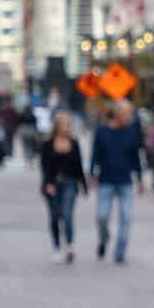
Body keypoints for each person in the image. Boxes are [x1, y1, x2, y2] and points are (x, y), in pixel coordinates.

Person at [88, 99, 144, 264]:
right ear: (117, 114)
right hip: (105, 180)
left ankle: (120, 252)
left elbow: (136, 157)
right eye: (127, 114)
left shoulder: (131, 132)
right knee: (101, 217)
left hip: (125, 181)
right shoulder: (102, 131)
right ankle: (104, 239)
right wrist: (91, 174)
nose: (130, 117)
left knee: (126, 217)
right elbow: (94, 154)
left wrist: (139, 179)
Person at [40, 110, 86, 263]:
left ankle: (70, 245)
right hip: (52, 184)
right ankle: (56, 247)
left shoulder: (74, 143)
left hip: (70, 183)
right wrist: (48, 184)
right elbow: (44, 166)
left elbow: (79, 166)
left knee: (67, 214)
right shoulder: (47, 144)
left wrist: (84, 185)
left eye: (69, 125)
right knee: (54, 216)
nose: (67, 127)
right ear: (57, 126)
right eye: (64, 124)